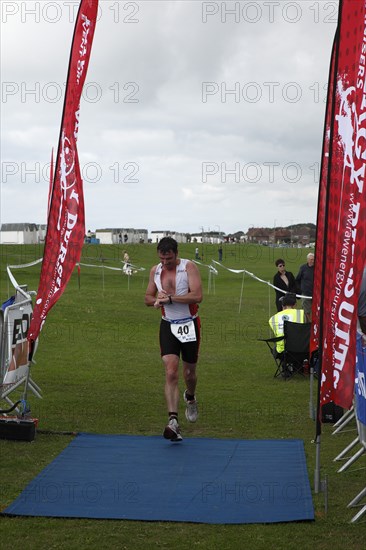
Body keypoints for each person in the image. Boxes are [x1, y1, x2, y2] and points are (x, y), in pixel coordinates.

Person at [145, 237, 203, 442]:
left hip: (189, 323)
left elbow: (197, 296)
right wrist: (156, 300)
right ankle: (173, 421)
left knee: (189, 373)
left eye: (169, 259)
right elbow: (147, 298)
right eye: (162, 258)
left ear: (176, 254)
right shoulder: (156, 271)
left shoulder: (189, 267)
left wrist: (170, 299)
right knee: (170, 371)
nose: (165, 263)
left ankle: (190, 397)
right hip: (168, 325)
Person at [295, 253, 314, 321]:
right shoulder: (303, 268)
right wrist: (300, 290)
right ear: (308, 260)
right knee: (306, 311)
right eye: (311, 259)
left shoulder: (317, 268)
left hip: (315, 294)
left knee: (315, 311)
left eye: (313, 260)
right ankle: (308, 325)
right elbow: (297, 280)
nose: (312, 261)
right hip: (305, 294)